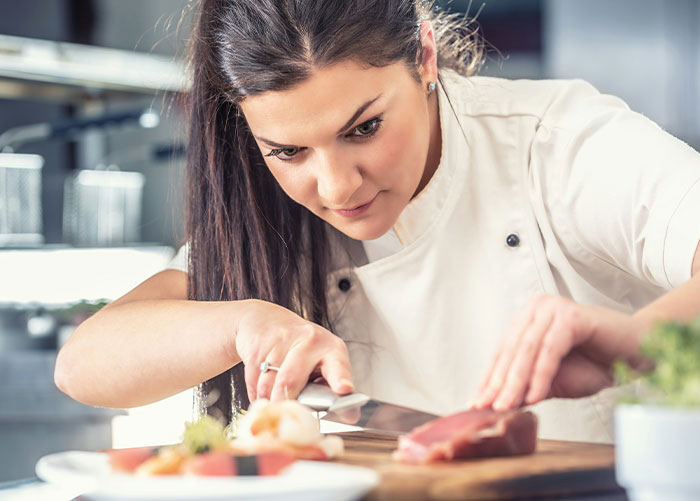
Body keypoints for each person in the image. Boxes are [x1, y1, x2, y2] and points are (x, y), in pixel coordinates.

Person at [55, 0, 700, 443]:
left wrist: (642, 338)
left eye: (364, 128)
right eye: (289, 151)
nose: (336, 186)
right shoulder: (263, 207)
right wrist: (242, 323)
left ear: (423, 57)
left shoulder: (551, 142)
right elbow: (84, 365)